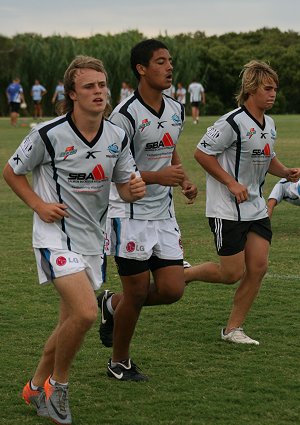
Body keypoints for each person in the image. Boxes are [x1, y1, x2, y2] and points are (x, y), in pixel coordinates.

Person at [3, 55, 145, 424]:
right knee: (84, 312)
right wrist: (39, 204)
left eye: (102, 85)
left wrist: (135, 189)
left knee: (70, 322)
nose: (98, 92)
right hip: (54, 238)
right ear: (72, 94)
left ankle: (34, 387)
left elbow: (125, 189)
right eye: (89, 86)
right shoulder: (48, 134)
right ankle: (58, 389)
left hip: (92, 243)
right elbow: (12, 171)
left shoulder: (117, 135)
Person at [98, 39, 197, 381]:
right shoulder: (123, 116)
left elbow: (169, 148)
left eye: (170, 61)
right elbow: (111, 171)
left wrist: (181, 178)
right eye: (160, 62)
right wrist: (158, 176)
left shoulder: (176, 109)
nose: (169, 67)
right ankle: (119, 362)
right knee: (137, 292)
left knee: (172, 290)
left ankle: (110, 306)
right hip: (128, 214)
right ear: (141, 69)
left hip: (163, 213)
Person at [185, 60, 300, 345]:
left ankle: (233, 329)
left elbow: (267, 156)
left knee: (258, 267)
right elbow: (201, 154)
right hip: (227, 209)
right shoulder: (231, 122)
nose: (273, 94)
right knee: (231, 273)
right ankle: (184, 273)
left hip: (256, 207)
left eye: (275, 89)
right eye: (268, 88)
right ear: (251, 89)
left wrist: (284, 171)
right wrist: (230, 182)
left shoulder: (269, 124)